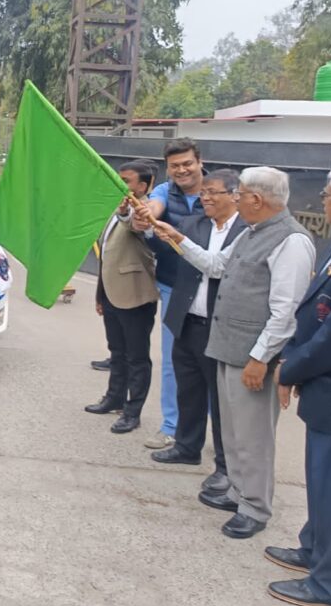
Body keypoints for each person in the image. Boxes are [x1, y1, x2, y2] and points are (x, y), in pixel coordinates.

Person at [149, 166, 315, 540]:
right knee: (235, 432)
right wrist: (177, 238)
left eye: (238, 194)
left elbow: (285, 310)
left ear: (256, 199)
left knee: (254, 438)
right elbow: (216, 265)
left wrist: (260, 358)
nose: (235, 199)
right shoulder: (251, 232)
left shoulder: (291, 241)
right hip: (227, 348)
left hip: (252, 357)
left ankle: (255, 508)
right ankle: (238, 492)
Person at [266, 163, 331, 606]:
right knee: (321, 480)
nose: (321, 201)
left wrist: (290, 369)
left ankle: (329, 584)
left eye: (327, 195)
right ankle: (314, 548)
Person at [153, 170, 245, 497]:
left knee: (221, 401)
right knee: (188, 389)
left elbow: (217, 267)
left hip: (220, 327)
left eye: (213, 192)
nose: (205, 198)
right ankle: (186, 446)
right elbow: (160, 245)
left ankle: (225, 466)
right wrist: (142, 225)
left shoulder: (246, 231)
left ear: (235, 195)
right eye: (203, 192)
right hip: (187, 320)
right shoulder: (194, 224)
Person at [140, 138, 205, 450]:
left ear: (200, 162)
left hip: (212, 288)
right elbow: (154, 206)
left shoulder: (219, 191)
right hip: (174, 287)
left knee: (210, 363)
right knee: (173, 360)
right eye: (175, 166)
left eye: (187, 163)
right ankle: (171, 426)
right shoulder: (165, 192)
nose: (182, 170)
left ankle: (209, 427)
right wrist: (145, 215)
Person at [84, 160, 158, 434]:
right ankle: (114, 398)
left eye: (126, 180)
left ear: (143, 186)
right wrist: (100, 295)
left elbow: (139, 227)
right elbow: (107, 256)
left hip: (135, 295)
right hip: (111, 292)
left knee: (136, 357)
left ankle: (132, 411)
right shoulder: (116, 209)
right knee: (117, 351)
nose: (120, 183)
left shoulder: (147, 210)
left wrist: (128, 212)